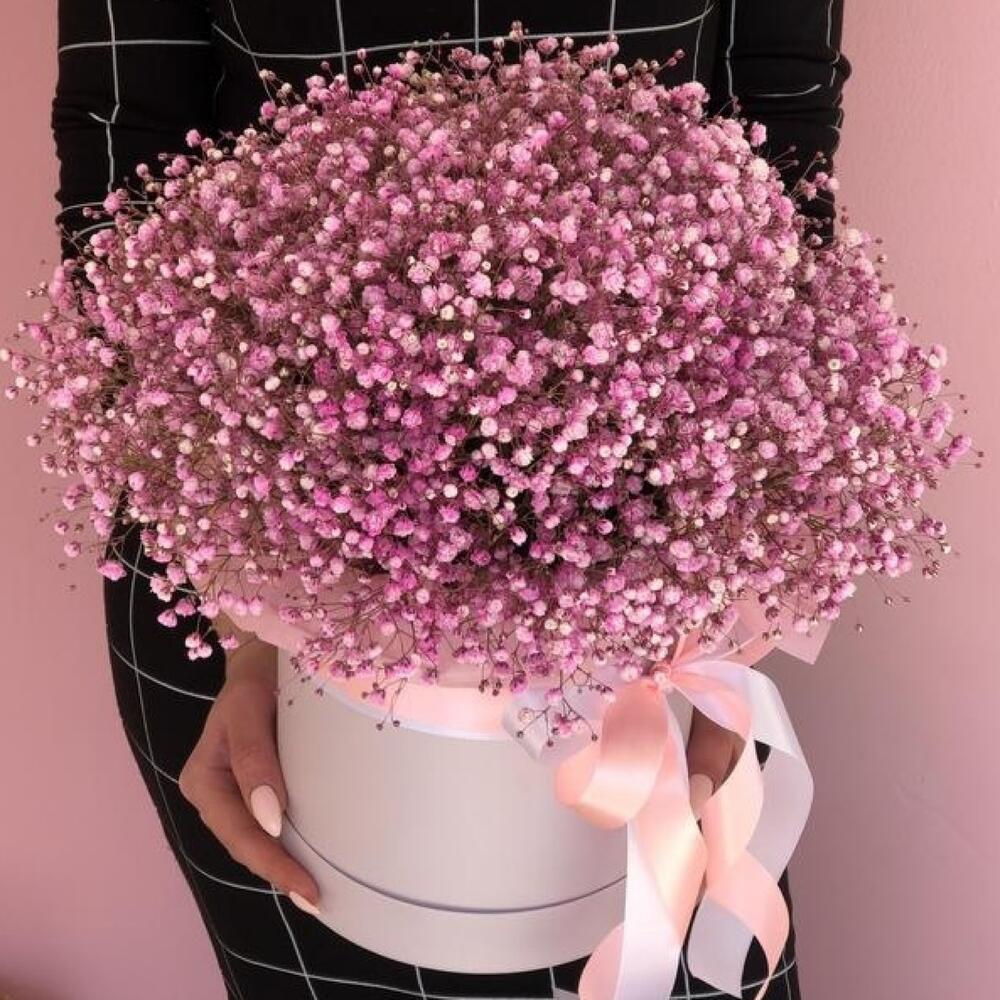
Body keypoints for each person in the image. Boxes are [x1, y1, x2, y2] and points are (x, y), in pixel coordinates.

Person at [51, 3, 851, 997]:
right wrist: (251, 619)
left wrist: (724, 615)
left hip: (653, 563)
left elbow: (782, 113)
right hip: (253, 575)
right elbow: (120, 156)